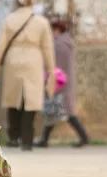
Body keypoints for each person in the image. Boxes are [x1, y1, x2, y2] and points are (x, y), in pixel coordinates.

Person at [0, 0, 56, 151]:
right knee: (30, 101)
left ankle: (13, 138)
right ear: (31, 4)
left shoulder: (9, 20)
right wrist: (51, 70)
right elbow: (47, 47)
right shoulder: (41, 22)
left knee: (13, 100)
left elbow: (0, 44)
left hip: (13, 60)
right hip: (34, 60)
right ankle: (27, 140)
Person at [35, 19, 90, 148]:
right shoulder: (65, 43)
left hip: (60, 82)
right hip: (63, 81)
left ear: (57, 30)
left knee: (63, 112)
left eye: (51, 31)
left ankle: (84, 137)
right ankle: (45, 140)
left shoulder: (59, 45)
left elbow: (53, 64)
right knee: (55, 111)